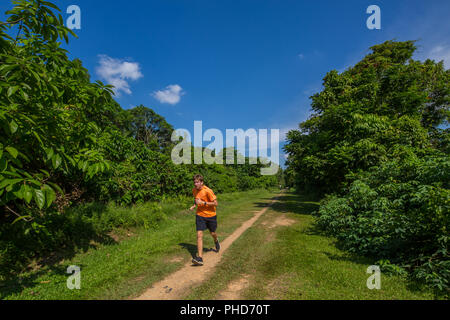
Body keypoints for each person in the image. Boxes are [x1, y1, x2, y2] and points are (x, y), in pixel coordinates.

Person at [189, 174, 220, 266]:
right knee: (199, 234)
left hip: (211, 215)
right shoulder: (194, 190)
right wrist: (194, 205)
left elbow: (216, 203)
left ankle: (216, 240)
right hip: (200, 215)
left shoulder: (208, 191)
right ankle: (200, 258)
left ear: (202, 182)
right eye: (194, 182)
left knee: (212, 233)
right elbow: (196, 199)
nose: (195, 184)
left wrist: (204, 203)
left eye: (197, 182)